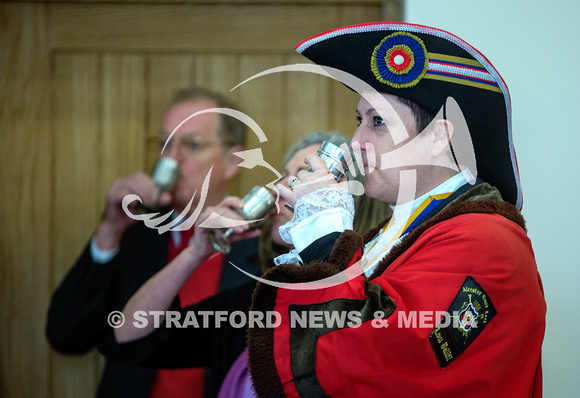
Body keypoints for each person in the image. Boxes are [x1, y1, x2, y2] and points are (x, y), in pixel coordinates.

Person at [247, 22, 546, 397]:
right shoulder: (395, 234)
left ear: (439, 136)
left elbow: (384, 357)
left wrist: (326, 237)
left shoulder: (489, 241)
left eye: (378, 122)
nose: (356, 141)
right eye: (360, 121)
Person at [107, 131, 391, 397]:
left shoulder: (372, 296)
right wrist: (194, 253)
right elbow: (130, 338)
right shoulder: (259, 297)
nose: (281, 189)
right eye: (284, 176)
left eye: (306, 176)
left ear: (349, 201)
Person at [46, 87, 263, 398]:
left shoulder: (258, 244)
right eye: (165, 143)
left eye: (192, 145)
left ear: (232, 162)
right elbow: (66, 337)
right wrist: (109, 231)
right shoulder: (135, 234)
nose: (170, 159)